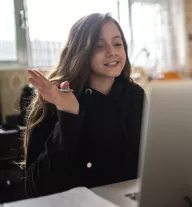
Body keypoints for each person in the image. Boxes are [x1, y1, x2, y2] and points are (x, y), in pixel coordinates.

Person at [22, 13, 146, 198]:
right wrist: (69, 115)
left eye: (117, 43)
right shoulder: (54, 101)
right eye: (99, 46)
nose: (112, 51)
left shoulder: (135, 95)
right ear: (81, 52)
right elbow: (35, 188)